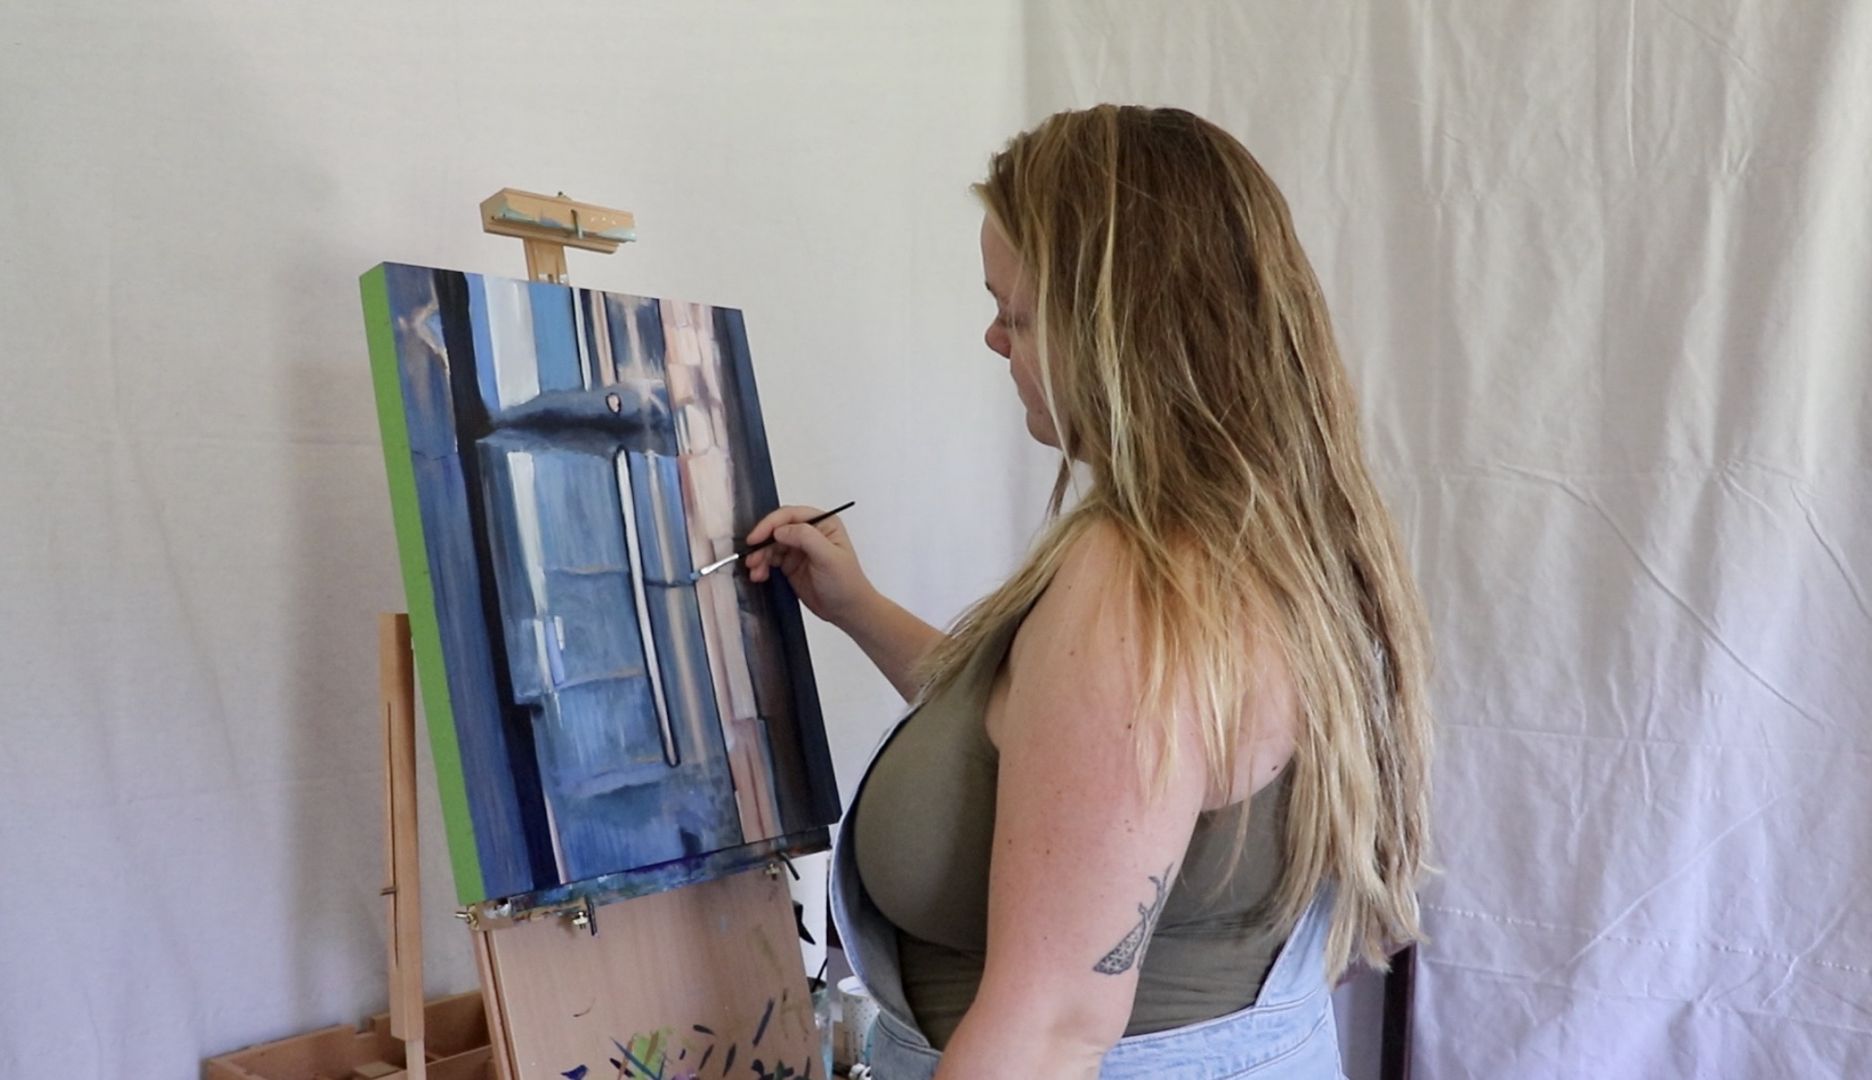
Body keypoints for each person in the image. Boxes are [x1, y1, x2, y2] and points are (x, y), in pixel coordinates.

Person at [745, 105, 1434, 1079]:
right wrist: (856, 605)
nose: (995, 338)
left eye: (1017, 313)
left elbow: (1051, 1029)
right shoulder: (1273, 541)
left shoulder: (1141, 583)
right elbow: (1047, 750)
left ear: (1118, 325)